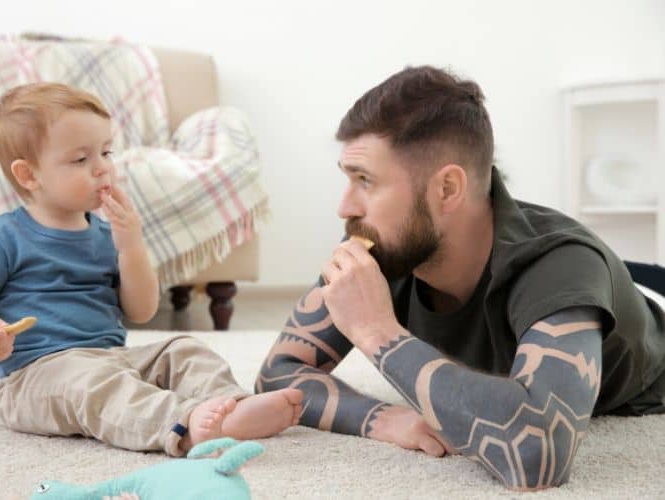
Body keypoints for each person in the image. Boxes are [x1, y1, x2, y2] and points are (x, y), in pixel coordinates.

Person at [255, 66, 665, 490]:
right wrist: (381, 419)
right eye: (348, 177)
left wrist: (377, 332)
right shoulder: (388, 241)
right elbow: (278, 373)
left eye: (365, 180)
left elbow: (536, 457)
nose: (345, 207)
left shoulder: (560, 265)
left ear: (447, 189)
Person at [0, 82, 302, 457]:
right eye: (81, 160)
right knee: (98, 385)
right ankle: (186, 425)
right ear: (29, 175)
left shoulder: (106, 235)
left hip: (110, 358)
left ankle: (230, 404)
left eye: (106, 152)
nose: (102, 168)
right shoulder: (4, 235)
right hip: (34, 376)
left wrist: (130, 244)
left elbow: (141, 310)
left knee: (182, 348)